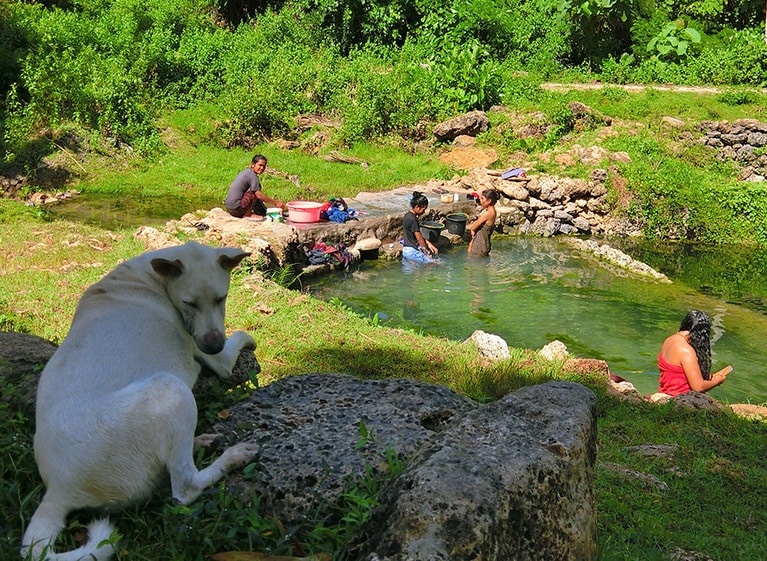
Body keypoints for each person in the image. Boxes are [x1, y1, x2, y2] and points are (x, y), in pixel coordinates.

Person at [657, 310, 733, 397]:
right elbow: (698, 387)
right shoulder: (686, 351)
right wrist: (718, 380)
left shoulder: (669, 340)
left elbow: (676, 375)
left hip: (664, 393)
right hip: (679, 399)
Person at [225, 154, 287, 218]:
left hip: (229, 208)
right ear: (253, 164)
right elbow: (259, 195)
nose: (262, 168)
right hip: (236, 209)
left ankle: (262, 212)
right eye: (260, 165)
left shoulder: (245, 172)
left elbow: (231, 185)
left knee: (253, 190)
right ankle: (248, 214)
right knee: (254, 192)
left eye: (264, 166)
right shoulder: (252, 175)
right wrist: (276, 202)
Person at [402, 191, 439, 263]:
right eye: (423, 209)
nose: (424, 212)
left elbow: (417, 237)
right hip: (412, 252)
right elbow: (419, 239)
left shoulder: (407, 216)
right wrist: (427, 253)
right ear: (417, 207)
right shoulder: (413, 219)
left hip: (406, 250)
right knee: (435, 263)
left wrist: (429, 244)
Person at [467, 189, 500, 257]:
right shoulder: (494, 211)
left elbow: (473, 227)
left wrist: (472, 233)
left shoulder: (487, 214)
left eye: (482, 198)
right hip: (485, 244)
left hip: (479, 246)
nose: (480, 200)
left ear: (489, 201)